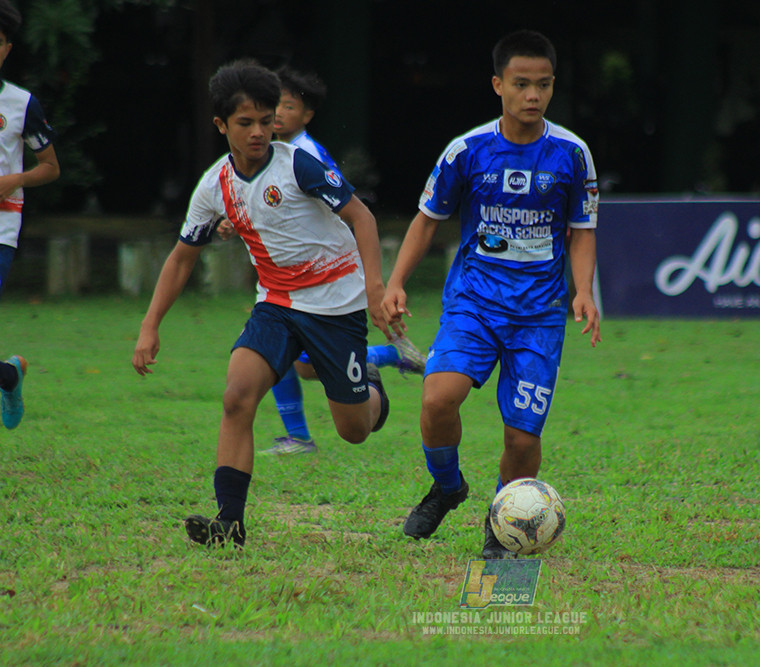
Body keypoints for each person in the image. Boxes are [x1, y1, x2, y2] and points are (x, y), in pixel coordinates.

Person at [132, 59, 398, 547]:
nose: (259, 132)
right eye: (244, 123)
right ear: (220, 126)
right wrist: (151, 324)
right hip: (275, 304)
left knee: (354, 429)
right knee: (237, 397)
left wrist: (376, 290)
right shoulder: (214, 186)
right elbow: (181, 258)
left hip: (336, 306)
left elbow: (362, 218)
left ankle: (373, 385)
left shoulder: (297, 164)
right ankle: (228, 522)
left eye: (266, 120)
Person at [382, 30, 601, 559]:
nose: (533, 95)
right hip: (474, 303)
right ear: (498, 84)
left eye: (543, 85)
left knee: (522, 439)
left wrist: (584, 291)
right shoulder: (468, 151)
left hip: (539, 316)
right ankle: (447, 487)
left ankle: (503, 527)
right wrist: (395, 282)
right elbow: (426, 220)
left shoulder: (571, 154)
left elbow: (582, 229)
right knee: (437, 399)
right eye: (522, 84)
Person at [259, 64, 425, 456]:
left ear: (307, 115)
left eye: (287, 106)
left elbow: (345, 211)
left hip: (326, 276)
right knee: (287, 357)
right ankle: (300, 435)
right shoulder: (272, 154)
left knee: (293, 359)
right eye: (273, 105)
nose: (277, 113)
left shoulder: (306, 153)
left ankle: (381, 358)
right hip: (297, 278)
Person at [0, 0, 60, 430]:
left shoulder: (21, 104)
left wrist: (12, 181)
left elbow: (51, 167)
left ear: (6, 48)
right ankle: (9, 375)